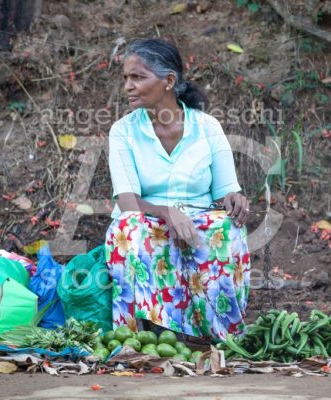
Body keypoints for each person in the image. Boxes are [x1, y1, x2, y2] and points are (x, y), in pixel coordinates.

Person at [105, 38, 250, 341]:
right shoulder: (123, 131)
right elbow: (128, 202)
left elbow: (225, 192)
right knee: (128, 228)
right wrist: (167, 212)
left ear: (168, 81)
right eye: (126, 78)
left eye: (138, 77)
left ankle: (215, 334)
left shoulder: (207, 127)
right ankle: (143, 334)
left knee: (227, 226)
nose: (128, 86)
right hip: (148, 221)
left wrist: (235, 201)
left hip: (197, 221)